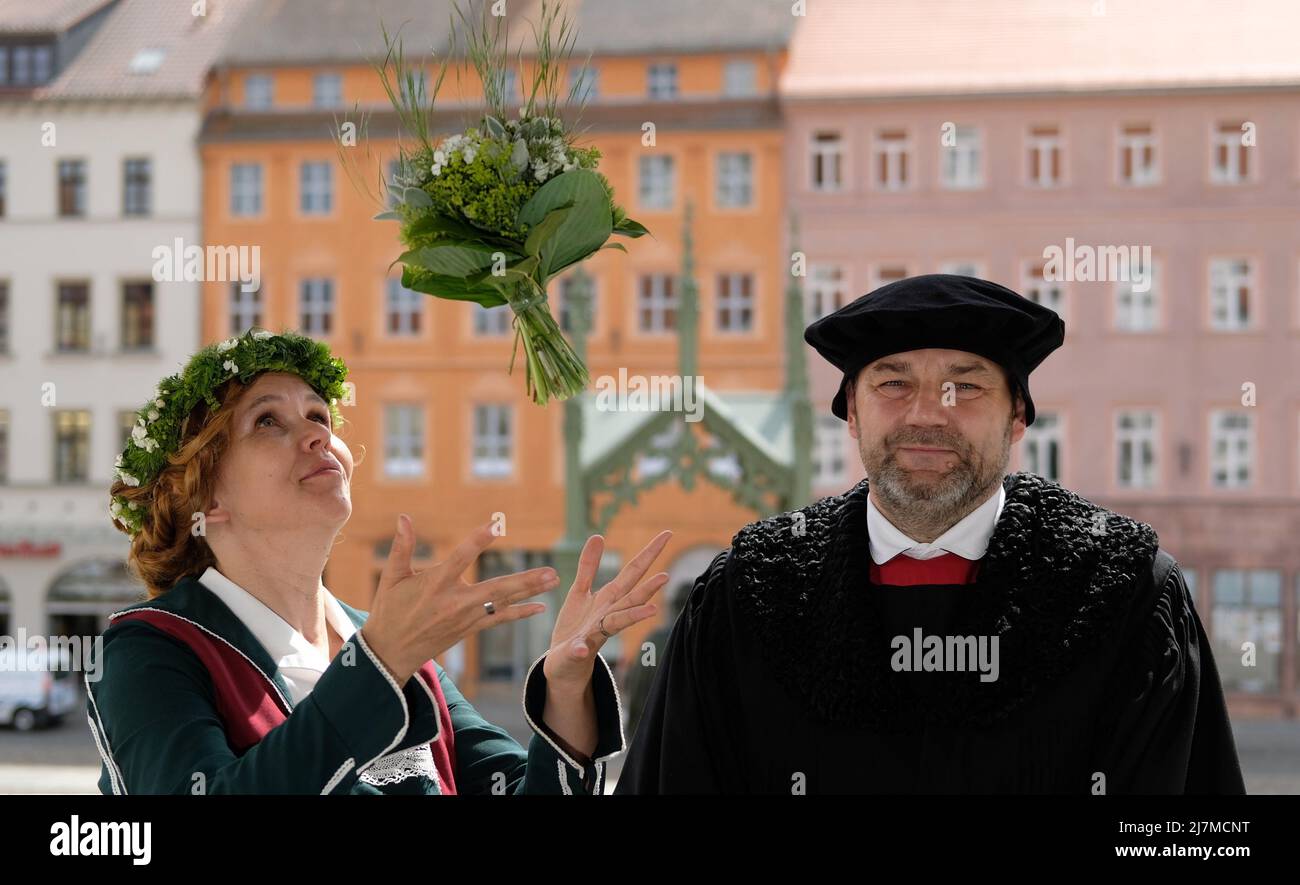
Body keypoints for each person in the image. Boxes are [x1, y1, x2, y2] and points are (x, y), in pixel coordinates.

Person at [616, 274, 1246, 795]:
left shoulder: (1123, 594)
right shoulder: (750, 595)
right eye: (893, 383)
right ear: (853, 412)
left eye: (965, 385)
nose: (925, 413)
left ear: (1018, 415)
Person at [89, 328, 671, 794]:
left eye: (319, 415)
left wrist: (566, 687)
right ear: (204, 496)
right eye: (269, 421)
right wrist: (379, 664)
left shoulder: (388, 643)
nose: (317, 435)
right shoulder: (152, 648)